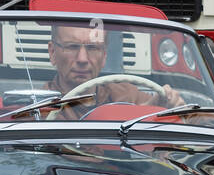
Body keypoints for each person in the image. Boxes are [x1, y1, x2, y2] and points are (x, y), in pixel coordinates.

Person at [44, 22, 182, 117]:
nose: (82, 59)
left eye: (93, 48)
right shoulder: (38, 107)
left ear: (104, 55)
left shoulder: (126, 95)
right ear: (52, 52)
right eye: (72, 47)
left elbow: (195, 123)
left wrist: (168, 105)